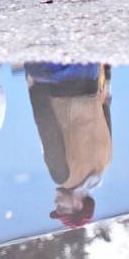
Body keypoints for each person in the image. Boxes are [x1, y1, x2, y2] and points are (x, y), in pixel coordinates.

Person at [25, 62, 112, 231]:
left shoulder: (106, 161)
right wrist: (34, 90)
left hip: (90, 77)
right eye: (63, 208)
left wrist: (106, 74)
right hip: (54, 82)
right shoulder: (63, 177)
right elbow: (47, 127)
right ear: (79, 204)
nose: (56, 203)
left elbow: (106, 106)